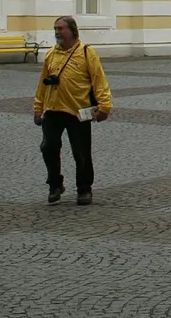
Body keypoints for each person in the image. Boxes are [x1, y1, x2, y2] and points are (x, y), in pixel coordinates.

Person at [32, 15, 112, 206]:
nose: (57, 32)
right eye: (55, 29)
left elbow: (99, 81)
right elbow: (43, 84)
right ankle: (55, 184)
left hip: (78, 110)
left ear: (72, 31)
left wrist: (104, 107)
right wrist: (38, 108)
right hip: (52, 109)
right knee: (48, 147)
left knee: (81, 153)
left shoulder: (87, 53)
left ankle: (84, 189)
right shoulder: (51, 54)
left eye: (61, 28)